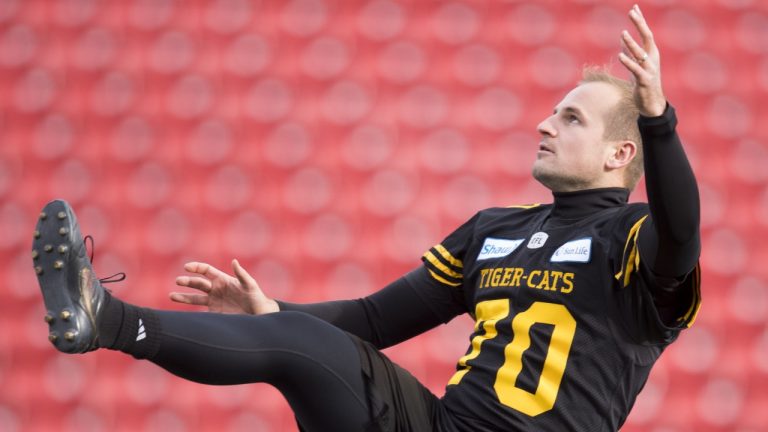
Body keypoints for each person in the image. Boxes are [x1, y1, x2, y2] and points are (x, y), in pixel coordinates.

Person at [32, 5, 700, 431]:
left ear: (620, 152)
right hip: (443, 427)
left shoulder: (630, 239)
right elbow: (376, 321)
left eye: (570, 117)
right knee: (302, 345)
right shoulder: (496, 228)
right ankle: (107, 319)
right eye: (553, 111)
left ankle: (110, 322)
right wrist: (275, 310)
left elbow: (681, 235)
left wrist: (658, 121)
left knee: (303, 343)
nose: (544, 124)